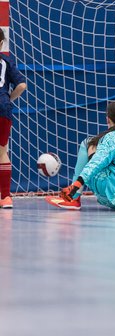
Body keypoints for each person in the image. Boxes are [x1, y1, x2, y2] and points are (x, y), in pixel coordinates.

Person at [0, 28, 27, 209]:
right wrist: (8, 99)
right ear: (2, 44)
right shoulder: (6, 60)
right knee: (2, 152)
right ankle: (6, 197)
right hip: (2, 108)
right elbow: (22, 85)